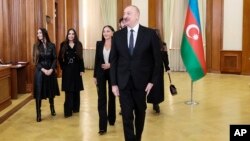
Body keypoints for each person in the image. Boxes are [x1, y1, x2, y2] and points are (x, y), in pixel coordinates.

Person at [110, 5, 162, 141]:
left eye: (129, 13)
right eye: (124, 13)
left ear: (137, 16)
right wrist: (114, 84)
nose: (125, 16)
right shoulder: (117, 36)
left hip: (142, 84)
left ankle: (138, 137)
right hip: (123, 83)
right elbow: (113, 61)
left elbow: (157, 61)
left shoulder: (150, 34)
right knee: (126, 115)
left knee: (140, 113)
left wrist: (152, 82)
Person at [33, 27, 60, 122]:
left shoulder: (52, 45)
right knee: (39, 93)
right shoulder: (35, 46)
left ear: (44, 33)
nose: (38, 35)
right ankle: (38, 114)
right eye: (37, 33)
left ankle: (52, 107)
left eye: (40, 32)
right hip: (40, 72)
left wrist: (52, 69)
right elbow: (35, 61)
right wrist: (44, 70)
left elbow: (55, 58)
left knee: (51, 91)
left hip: (51, 71)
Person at [93, 25, 116, 135]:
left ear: (112, 33)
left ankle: (111, 119)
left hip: (112, 73)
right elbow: (97, 60)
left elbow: (120, 59)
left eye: (108, 31)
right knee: (101, 98)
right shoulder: (99, 44)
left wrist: (110, 65)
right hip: (101, 73)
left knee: (112, 97)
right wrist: (94, 76)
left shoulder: (116, 44)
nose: (105, 33)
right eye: (104, 31)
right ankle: (102, 126)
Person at [58, 28, 85, 118]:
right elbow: (59, 58)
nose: (71, 35)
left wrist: (82, 70)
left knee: (76, 90)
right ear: (67, 35)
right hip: (67, 71)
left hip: (77, 70)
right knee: (68, 90)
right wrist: (63, 67)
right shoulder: (63, 44)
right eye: (69, 34)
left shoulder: (79, 44)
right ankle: (68, 111)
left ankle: (75, 108)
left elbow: (81, 58)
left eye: (73, 34)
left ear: (75, 35)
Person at [147, 29, 170, 113]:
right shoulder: (148, 44)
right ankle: (153, 102)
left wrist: (167, 67)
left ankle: (156, 103)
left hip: (159, 68)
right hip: (149, 68)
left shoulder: (163, 45)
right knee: (150, 86)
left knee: (158, 86)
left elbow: (165, 57)